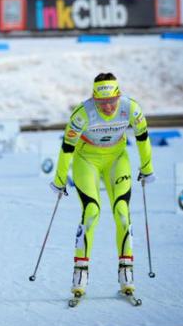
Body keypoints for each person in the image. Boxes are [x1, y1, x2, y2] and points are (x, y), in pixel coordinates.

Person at [49, 73, 154, 302]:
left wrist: (147, 167)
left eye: (111, 101)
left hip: (117, 158)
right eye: (101, 102)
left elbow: (143, 137)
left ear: (119, 95)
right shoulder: (82, 113)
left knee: (122, 213)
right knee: (92, 212)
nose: (107, 106)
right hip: (86, 160)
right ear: (93, 98)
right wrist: (59, 180)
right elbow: (66, 148)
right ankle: (80, 279)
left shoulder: (131, 108)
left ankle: (127, 276)